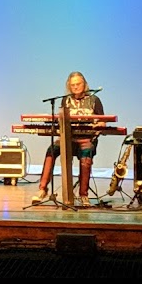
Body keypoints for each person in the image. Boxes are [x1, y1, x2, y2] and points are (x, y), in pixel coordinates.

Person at [32, 71, 105, 207]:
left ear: (84, 84)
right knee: (51, 151)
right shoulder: (65, 100)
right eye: (73, 85)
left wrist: (97, 126)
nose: (76, 87)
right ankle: (42, 189)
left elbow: (103, 122)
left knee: (86, 158)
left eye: (78, 84)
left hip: (85, 139)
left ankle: (83, 195)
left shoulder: (94, 100)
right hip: (67, 139)